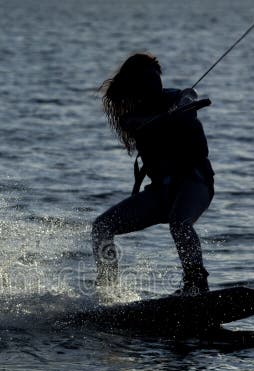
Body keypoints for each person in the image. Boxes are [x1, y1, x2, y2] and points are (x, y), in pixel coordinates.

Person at [92, 52, 215, 297]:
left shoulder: (176, 98)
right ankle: (108, 291)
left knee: (180, 224)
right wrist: (164, 120)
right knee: (101, 227)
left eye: (156, 76)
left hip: (194, 184)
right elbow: (141, 124)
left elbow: (190, 95)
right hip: (161, 192)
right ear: (136, 84)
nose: (155, 82)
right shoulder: (131, 117)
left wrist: (182, 105)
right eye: (148, 78)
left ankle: (196, 284)